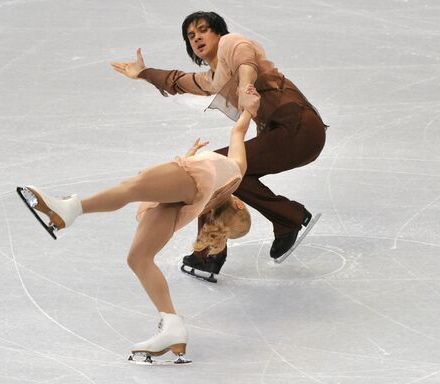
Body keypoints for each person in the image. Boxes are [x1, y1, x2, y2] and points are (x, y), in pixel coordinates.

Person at [16, 86, 259, 363]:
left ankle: (69, 210)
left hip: (195, 178)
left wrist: (250, 107)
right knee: (140, 258)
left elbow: (237, 132)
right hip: (187, 200)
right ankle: (172, 327)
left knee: (132, 187)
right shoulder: (208, 203)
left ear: (239, 205)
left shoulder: (236, 173)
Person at [111, 11, 327, 281]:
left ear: (218, 33)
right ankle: (286, 219)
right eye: (191, 35)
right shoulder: (215, 77)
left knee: (213, 167)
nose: (197, 37)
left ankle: (210, 252)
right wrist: (143, 72)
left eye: (203, 30)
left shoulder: (231, 43)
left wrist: (246, 87)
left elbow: (245, 59)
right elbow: (179, 81)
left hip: (297, 127)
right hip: (291, 134)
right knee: (234, 174)